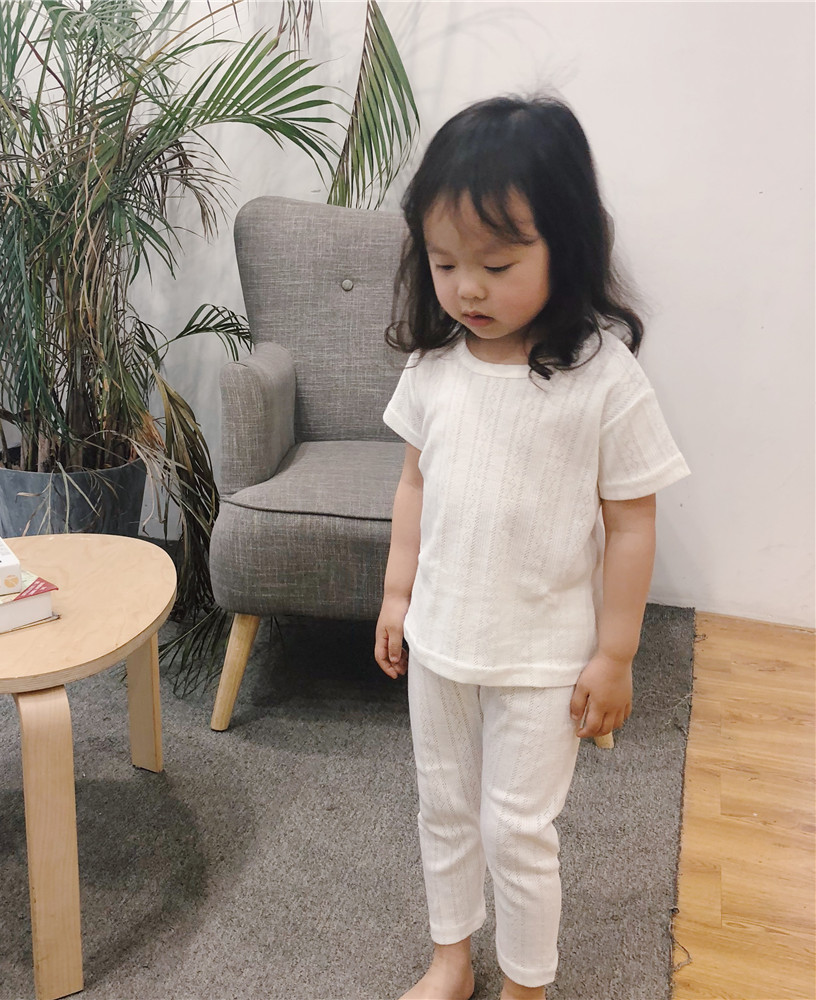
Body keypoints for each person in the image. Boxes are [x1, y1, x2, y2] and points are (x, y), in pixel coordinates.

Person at [374, 95, 690, 1000]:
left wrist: (616, 654)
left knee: (518, 830)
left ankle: (526, 984)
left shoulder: (604, 380)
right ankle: (450, 957)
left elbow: (632, 523)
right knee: (443, 806)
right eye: (445, 264)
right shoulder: (434, 368)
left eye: (497, 265)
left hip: (543, 657)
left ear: (568, 247)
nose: (467, 289)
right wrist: (397, 596)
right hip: (441, 640)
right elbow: (414, 486)